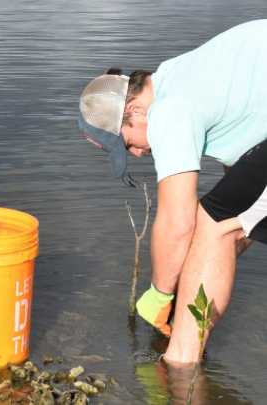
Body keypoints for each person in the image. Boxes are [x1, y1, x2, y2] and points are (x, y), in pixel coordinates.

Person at [77, 19, 267, 366]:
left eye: (127, 142)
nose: (136, 154)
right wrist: (191, 272)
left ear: (134, 111)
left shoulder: (170, 108)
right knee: (220, 222)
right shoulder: (182, 74)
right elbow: (247, 206)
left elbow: (178, 223)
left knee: (213, 224)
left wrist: (160, 293)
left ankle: (178, 371)